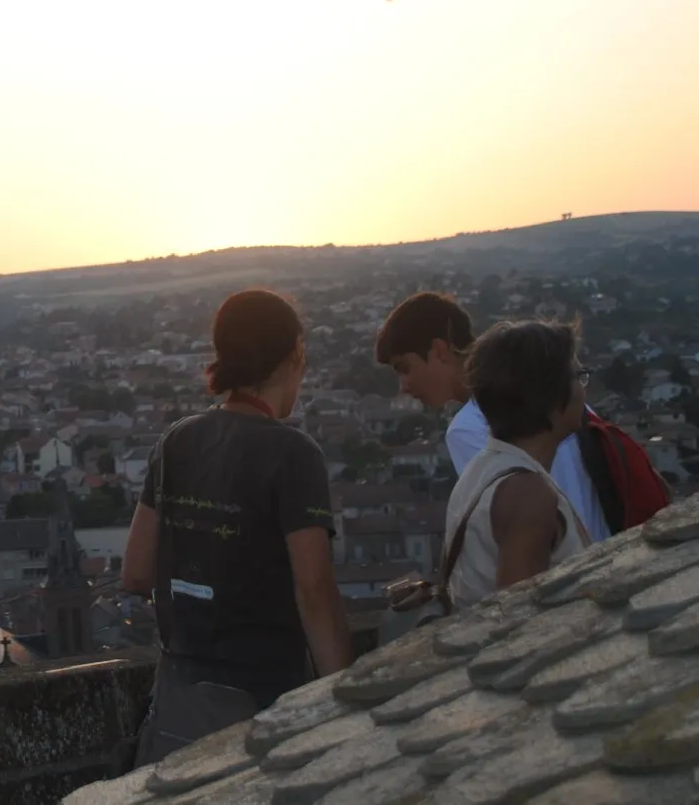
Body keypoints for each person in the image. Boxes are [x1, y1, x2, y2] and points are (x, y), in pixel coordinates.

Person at [122, 289, 352, 765]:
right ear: (294, 357)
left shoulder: (176, 441)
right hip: (265, 700)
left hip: (180, 706)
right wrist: (345, 703)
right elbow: (313, 590)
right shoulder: (294, 454)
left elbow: (137, 573)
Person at [375, 292, 610, 543]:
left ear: (440, 350)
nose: (403, 386)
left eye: (404, 368)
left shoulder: (468, 427)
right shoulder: (550, 389)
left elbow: (515, 531)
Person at [442, 320, 592, 610]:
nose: (584, 390)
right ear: (549, 392)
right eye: (578, 376)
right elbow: (519, 617)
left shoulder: (484, 469)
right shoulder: (527, 494)